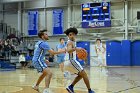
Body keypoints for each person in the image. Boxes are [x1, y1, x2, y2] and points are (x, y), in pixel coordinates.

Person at [64, 27, 94, 93]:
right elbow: (69, 50)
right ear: (68, 35)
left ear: (75, 34)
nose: (72, 36)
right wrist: (76, 48)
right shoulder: (70, 42)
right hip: (71, 61)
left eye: (73, 34)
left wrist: (80, 52)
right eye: (70, 34)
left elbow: (72, 51)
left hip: (68, 62)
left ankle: (71, 87)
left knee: (81, 75)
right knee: (85, 74)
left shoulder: (73, 42)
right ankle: (90, 91)